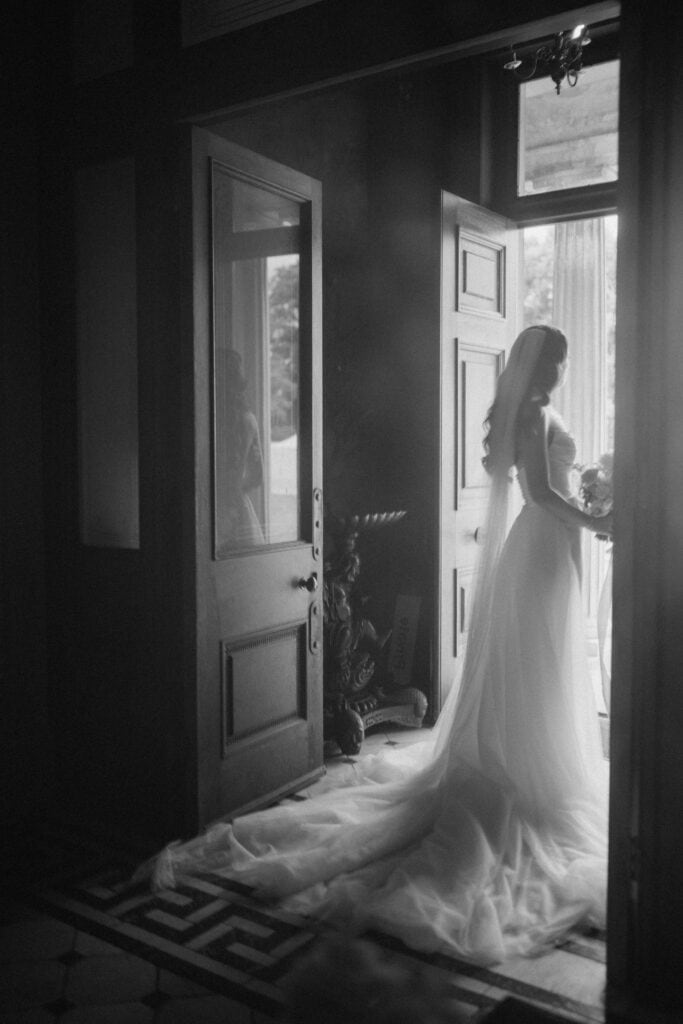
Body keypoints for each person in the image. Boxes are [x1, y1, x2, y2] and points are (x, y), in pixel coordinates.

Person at [145, 325, 612, 965]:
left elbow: (547, 482)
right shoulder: (531, 412)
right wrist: (598, 518)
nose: (560, 369)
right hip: (542, 548)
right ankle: (523, 768)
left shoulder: (537, 410)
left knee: (548, 666)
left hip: (552, 548)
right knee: (536, 661)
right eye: (554, 359)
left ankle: (540, 758)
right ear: (535, 366)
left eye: (564, 359)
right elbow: (536, 492)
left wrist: (591, 492)